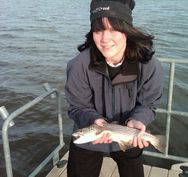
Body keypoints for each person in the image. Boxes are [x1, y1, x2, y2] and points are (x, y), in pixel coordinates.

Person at [65, 0, 163, 176]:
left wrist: (138, 120)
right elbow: (77, 107)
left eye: (113, 29)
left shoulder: (148, 65)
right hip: (89, 139)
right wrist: (94, 120)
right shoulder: (79, 65)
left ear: (126, 30)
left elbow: (149, 104)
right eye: (98, 30)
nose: (104, 39)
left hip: (128, 135)